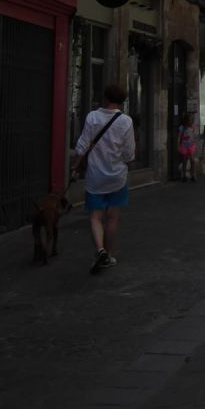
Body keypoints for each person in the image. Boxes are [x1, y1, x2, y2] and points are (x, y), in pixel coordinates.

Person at [73, 84, 136, 275]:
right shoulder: (126, 121)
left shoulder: (92, 117)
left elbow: (82, 146)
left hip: (95, 176)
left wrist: (76, 168)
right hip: (117, 176)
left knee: (95, 217)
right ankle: (107, 254)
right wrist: (125, 162)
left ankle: (99, 249)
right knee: (112, 218)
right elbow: (129, 152)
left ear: (106, 98)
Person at [176, 112, 198, 181]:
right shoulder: (182, 127)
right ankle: (184, 175)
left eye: (192, 120)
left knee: (192, 160)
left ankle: (193, 174)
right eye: (190, 120)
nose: (191, 122)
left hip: (191, 145)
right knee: (184, 160)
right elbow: (179, 137)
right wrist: (178, 145)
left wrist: (195, 142)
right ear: (186, 120)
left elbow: (195, 136)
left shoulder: (193, 127)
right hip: (184, 145)